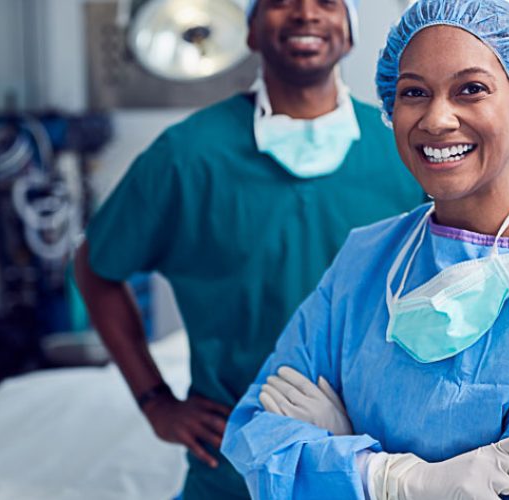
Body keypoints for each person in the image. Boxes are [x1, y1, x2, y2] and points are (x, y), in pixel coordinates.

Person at [221, 1, 509, 498]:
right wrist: (390, 479)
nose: (437, 118)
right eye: (414, 92)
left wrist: (342, 459)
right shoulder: (367, 259)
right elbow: (257, 430)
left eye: (471, 89)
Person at [72, 0, 422, 497]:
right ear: (251, 30)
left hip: (374, 466)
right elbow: (95, 265)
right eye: (281, 1)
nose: (305, 13)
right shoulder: (189, 155)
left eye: (327, 1)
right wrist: (155, 401)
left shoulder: (402, 150)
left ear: (350, 32)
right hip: (233, 473)